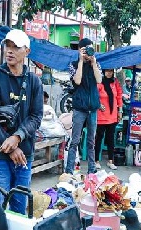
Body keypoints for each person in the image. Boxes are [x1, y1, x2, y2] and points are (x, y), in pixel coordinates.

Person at [0, 29, 42, 215]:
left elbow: (36, 116)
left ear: (27, 52)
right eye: (8, 45)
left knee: (19, 206)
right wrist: (10, 145)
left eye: (16, 47)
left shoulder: (34, 82)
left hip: (25, 154)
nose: (10, 51)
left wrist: (17, 137)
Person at [63, 38, 102, 175]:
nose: (89, 52)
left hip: (92, 109)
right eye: (86, 49)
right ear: (80, 50)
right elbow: (77, 81)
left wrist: (93, 63)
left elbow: (99, 80)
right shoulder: (73, 64)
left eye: (91, 49)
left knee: (91, 141)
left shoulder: (95, 64)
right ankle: (69, 171)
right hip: (79, 108)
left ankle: (92, 170)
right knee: (75, 141)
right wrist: (80, 61)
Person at [94, 68, 123, 171]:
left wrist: (120, 111)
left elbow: (119, 97)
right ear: (104, 71)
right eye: (107, 71)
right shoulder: (99, 82)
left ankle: (111, 161)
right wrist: (99, 104)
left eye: (111, 71)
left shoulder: (115, 82)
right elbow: (94, 95)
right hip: (101, 115)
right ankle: (96, 160)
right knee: (99, 138)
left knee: (111, 139)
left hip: (112, 115)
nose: (109, 73)